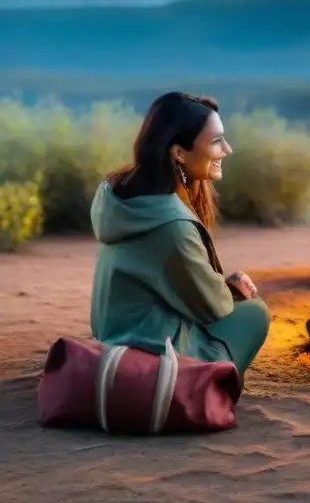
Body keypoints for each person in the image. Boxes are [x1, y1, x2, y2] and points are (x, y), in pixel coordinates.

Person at [90, 92, 271, 379]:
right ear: (179, 153)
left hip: (113, 340)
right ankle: (210, 388)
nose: (228, 149)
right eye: (216, 141)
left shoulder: (118, 196)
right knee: (255, 313)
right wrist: (233, 289)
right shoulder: (172, 225)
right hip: (157, 358)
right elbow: (214, 307)